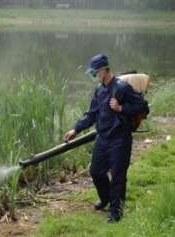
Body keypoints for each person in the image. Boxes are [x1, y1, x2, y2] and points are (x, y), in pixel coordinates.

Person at [63, 54, 148, 223]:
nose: (94, 76)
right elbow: (92, 114)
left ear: (103, 70)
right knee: (96, 171)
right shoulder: (99, 90)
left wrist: (121, 107)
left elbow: (142, 106)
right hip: (102, 138)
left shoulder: (122, 88)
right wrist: (75, 129)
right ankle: (106, 198)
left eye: (95, 73)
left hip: (119, 139)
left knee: (118, 176)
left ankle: (115, 214)